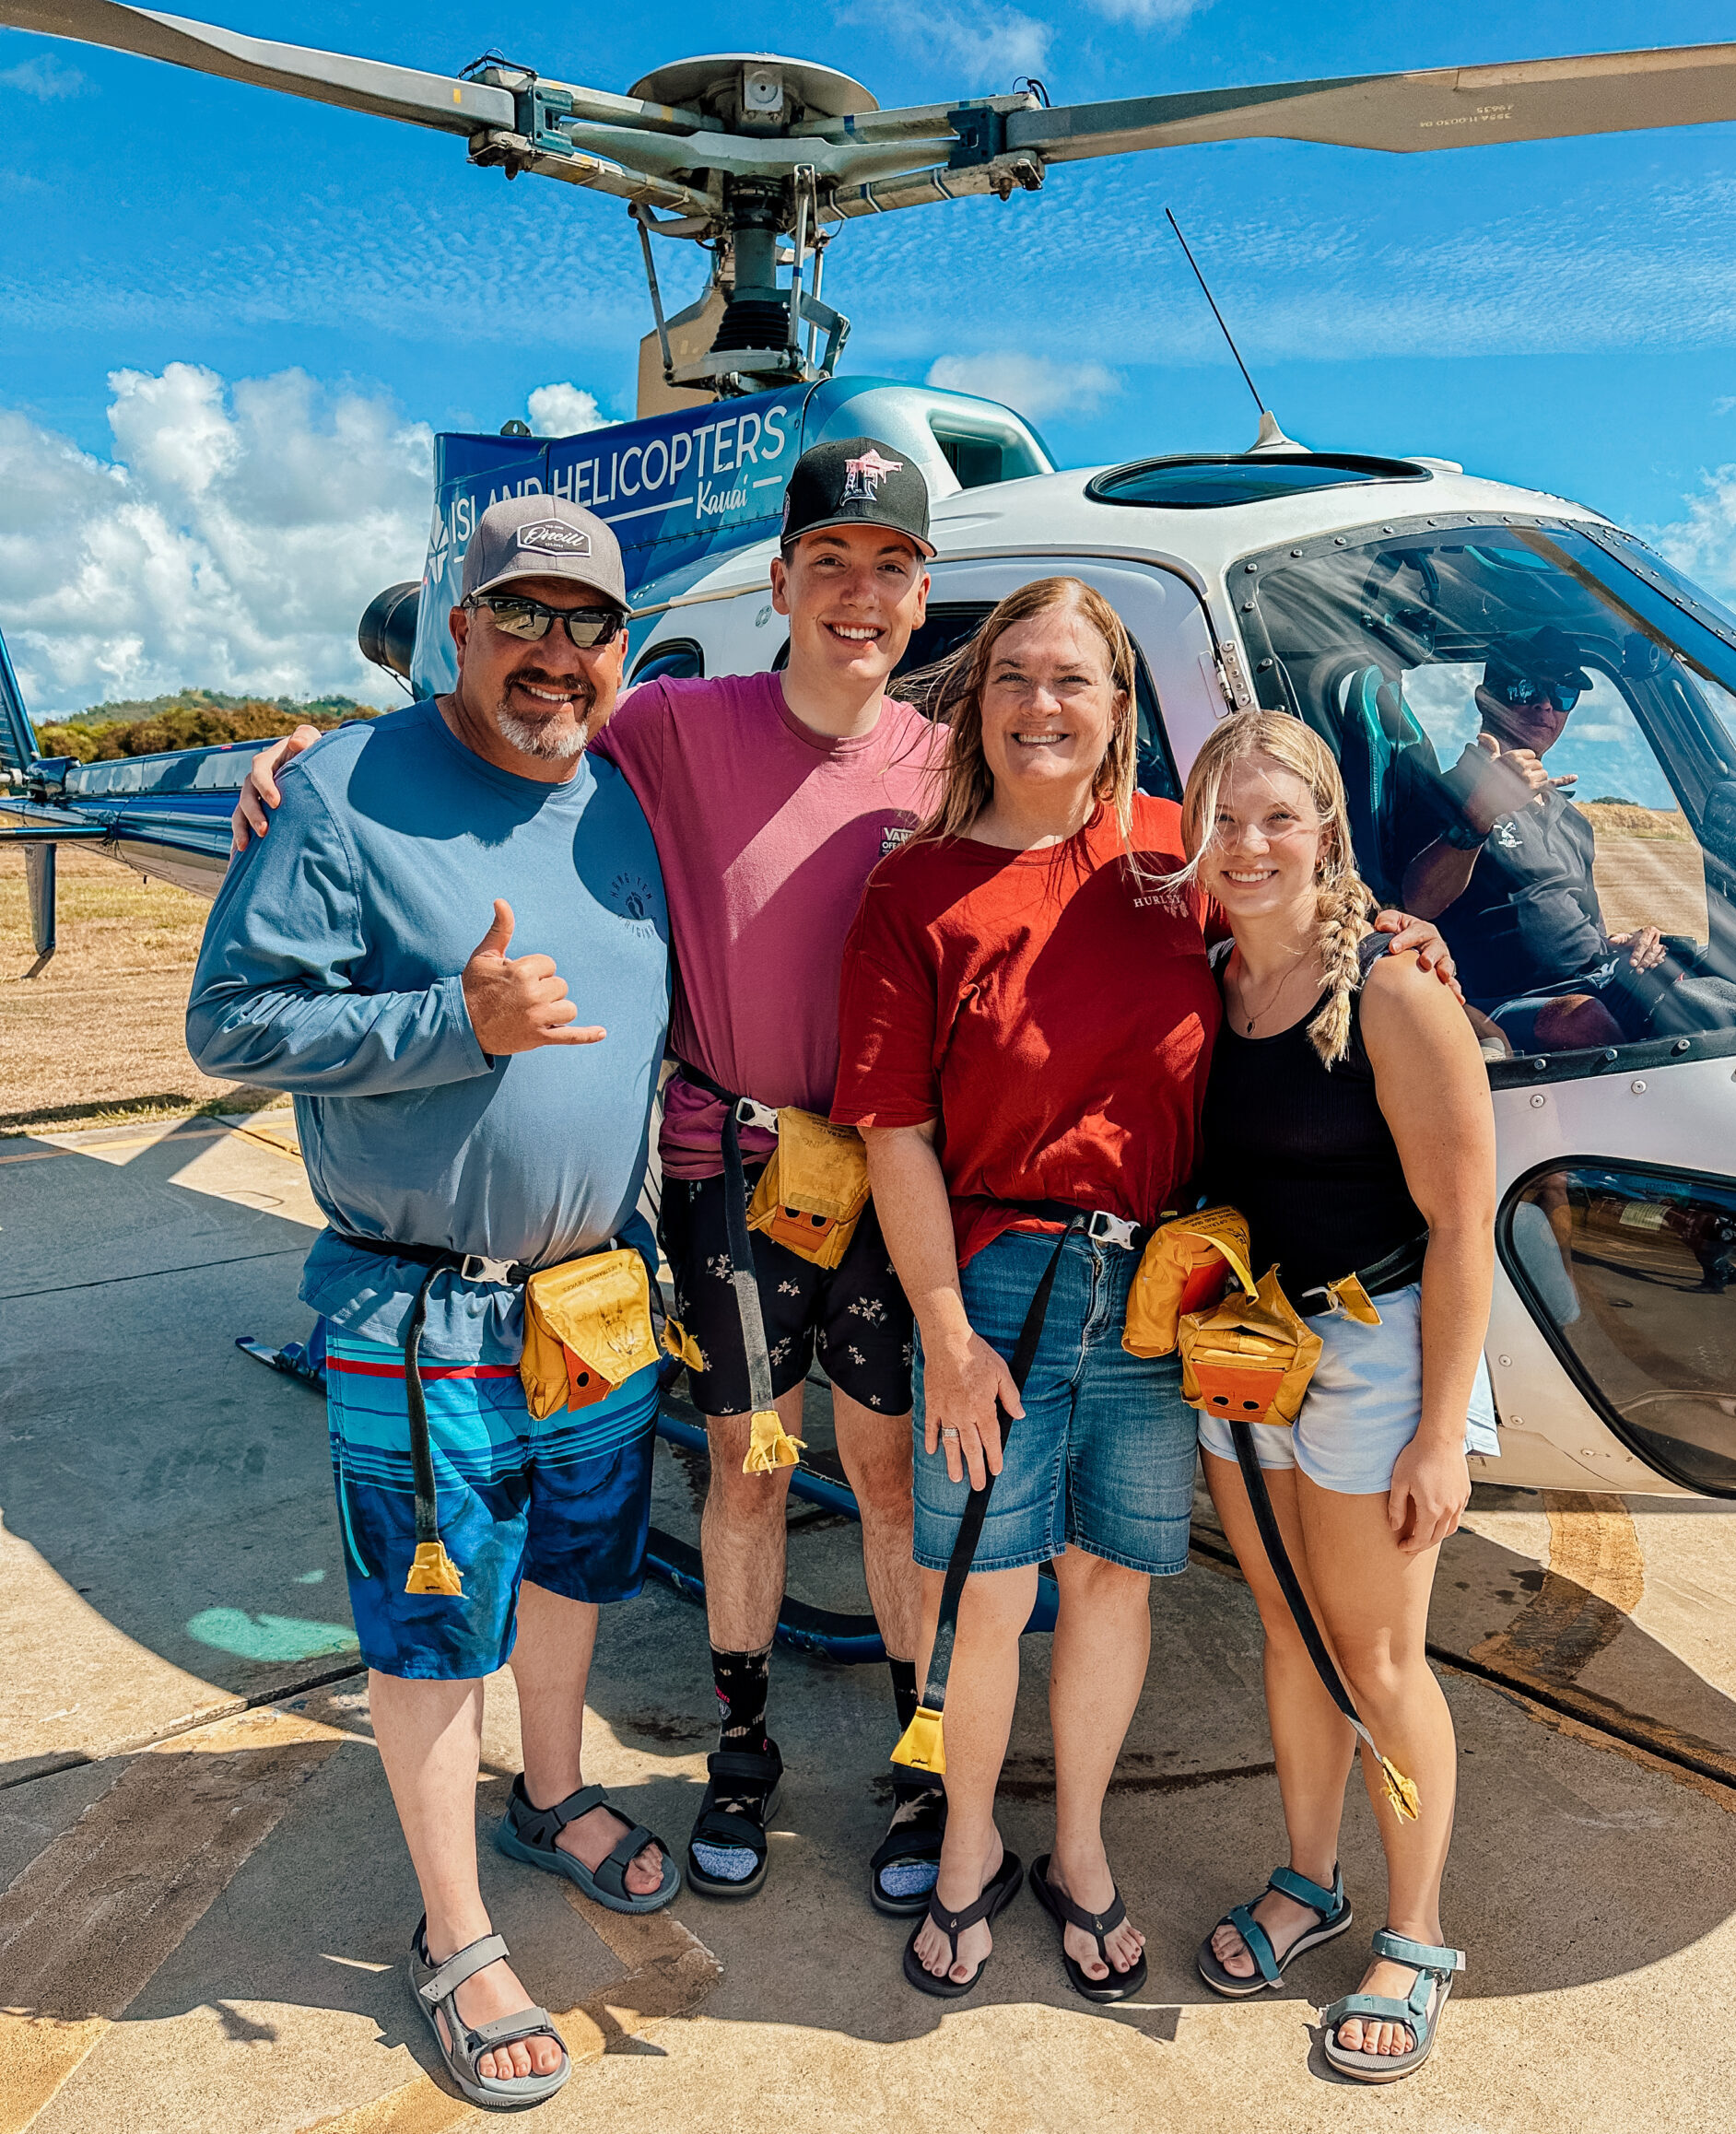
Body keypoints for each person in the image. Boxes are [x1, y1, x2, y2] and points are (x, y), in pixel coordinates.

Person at [232, 440, 945, 1912]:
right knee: (738, 1475)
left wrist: (1349, 920)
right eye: (829, 564)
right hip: (664, 1205)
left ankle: (888, 1759)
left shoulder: (920, 763)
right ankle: (684, 1784)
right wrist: (307, 762)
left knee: (828, 1493)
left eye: (589, 625)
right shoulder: (663, 732)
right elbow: (457, 772)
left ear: (924, 598)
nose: (559, 654)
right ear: (783, 582)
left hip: (779, 1215)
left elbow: (1091, 827)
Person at [832, 581, 1460, 2004]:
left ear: (1123, 712)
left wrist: (1412, 946)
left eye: (1077, 681)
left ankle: (1087, 1853)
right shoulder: (911, 889)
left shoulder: (1177, 858)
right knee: (984, 1592)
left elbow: (1302, 913)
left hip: (1157, 1294)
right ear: (974, 698)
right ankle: (972, 1848)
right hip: (990, 1287)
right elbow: (892, 1129)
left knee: (1111, 1581)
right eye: (1015, 676)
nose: (1043, 705)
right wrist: (942, 1328)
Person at [191, 497, 676, 2112]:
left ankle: (549, 1791)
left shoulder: (625, 803)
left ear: (620, 646)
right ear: (453, 629)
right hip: (426, 1317)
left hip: (598, 1298)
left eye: (586, 622)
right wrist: (450, 1020)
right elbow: (233, 1022)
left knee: (573, 1572)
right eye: (519, 616)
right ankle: (456, 1932)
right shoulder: (336, 787)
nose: (555, 651)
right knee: (429, 1623)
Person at [1185, 710, 1496, 2084]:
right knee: (1286, 1631)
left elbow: (1462, 1222)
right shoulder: (1208, 977)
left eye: (1276, 820)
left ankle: (1417, 1931)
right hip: (1247, 1353)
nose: (1247, 847)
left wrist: (1442, 1430)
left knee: (1378, 1658)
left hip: (1375, 1354)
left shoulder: (1391, 990)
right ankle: (1308, 1885)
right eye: (1223, 821)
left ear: (1326, 834)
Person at [1400, 627, 1675, 1049]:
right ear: (1483, 697)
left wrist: (1624, 943)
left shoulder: (1572, 820)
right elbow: (1416, 903)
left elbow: (1593, 928)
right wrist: (1479, 816)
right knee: (1583, 1021)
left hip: (1592, 979)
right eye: (1525, 686)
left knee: (1689, 989)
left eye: (1563, 694)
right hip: (1498, 1002)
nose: (1545, 705)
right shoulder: (1443, 791)